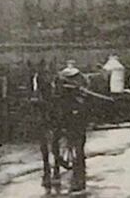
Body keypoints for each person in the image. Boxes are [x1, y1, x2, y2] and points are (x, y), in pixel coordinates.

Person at [55, 60, 89, 192]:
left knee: (79, 140)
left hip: (77, 113)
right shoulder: (61, 86)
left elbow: (83, 97)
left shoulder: (81, 84)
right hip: (67, 112)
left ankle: (80, 171)